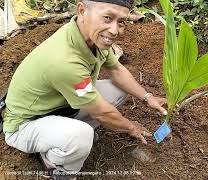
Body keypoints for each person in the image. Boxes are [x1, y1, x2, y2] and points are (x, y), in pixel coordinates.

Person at [2, 0, 167, 178]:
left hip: (58, 106)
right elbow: (103, 114)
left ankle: (66, 138)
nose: (114, 30)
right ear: (81, 10)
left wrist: (147, 96)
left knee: (118, 91)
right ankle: (57, 164)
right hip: (25, 125)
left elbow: (116, 69)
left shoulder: (92, 37)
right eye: (107, 17)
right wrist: (131, 128)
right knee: (82, 136)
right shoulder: (64, 61)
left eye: (121, 22)